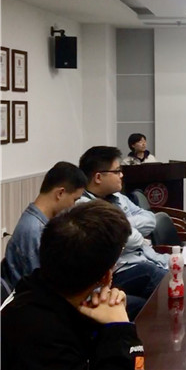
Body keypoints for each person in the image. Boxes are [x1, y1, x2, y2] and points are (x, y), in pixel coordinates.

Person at [1, 200, 145, 369]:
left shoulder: (36, 290)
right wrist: (121, 330)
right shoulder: (44, 338)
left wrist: (107, 324)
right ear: (106, 277)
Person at [78, 146, 168, 314]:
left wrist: (122, 224)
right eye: (117, 171)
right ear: (98, 177)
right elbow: (134, 240)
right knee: (165, 284)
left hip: (146, 257)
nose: (121, 175)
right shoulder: (85, 207)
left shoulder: (117, 197)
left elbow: (150, 220)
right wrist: (129, 229)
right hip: (117, 272)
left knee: (182, 273)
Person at [4, 162, 88, 290]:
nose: (73, 205)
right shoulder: (34, 231)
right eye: (75, 200)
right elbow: (44, 287)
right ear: (60, 193)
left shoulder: (41, 223)